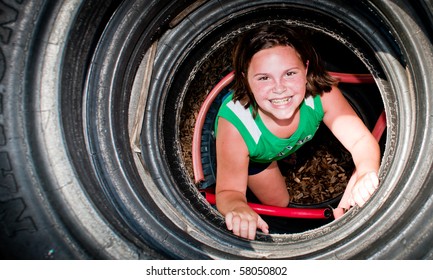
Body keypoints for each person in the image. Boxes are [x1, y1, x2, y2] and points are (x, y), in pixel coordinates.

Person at [214, 23, 380, 240]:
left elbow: (359, 140)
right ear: (245, 78)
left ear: (306, 70)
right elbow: (228, 192)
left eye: (289, 73)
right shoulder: (237, 126)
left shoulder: (321, 95)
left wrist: (367, 171)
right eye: (264, 78)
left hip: (280, 142)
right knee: (279, 203)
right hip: (260, 157)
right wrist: (238, 208)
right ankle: (278, 157)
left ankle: (287, 152)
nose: (279, 87)